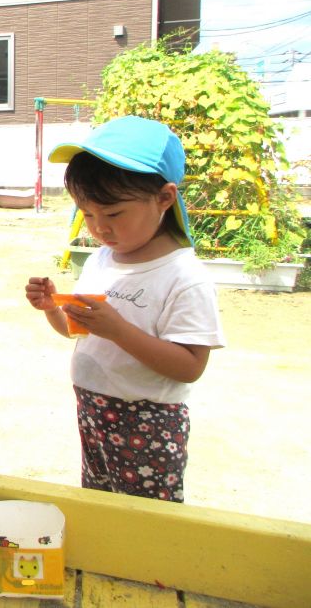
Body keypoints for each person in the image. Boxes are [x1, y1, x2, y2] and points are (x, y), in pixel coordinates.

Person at [24, 115, 223, 503]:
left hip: (148, 421)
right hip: (94, 408)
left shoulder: (184, 276)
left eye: (113, 214)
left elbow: (190, 366)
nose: (99, 228)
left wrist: (117, 330)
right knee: (101, 505)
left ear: (164, 198)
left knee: (144, 518)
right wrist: (52, 308)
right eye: (88, 213)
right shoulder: (103, 258)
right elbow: (77, 331)